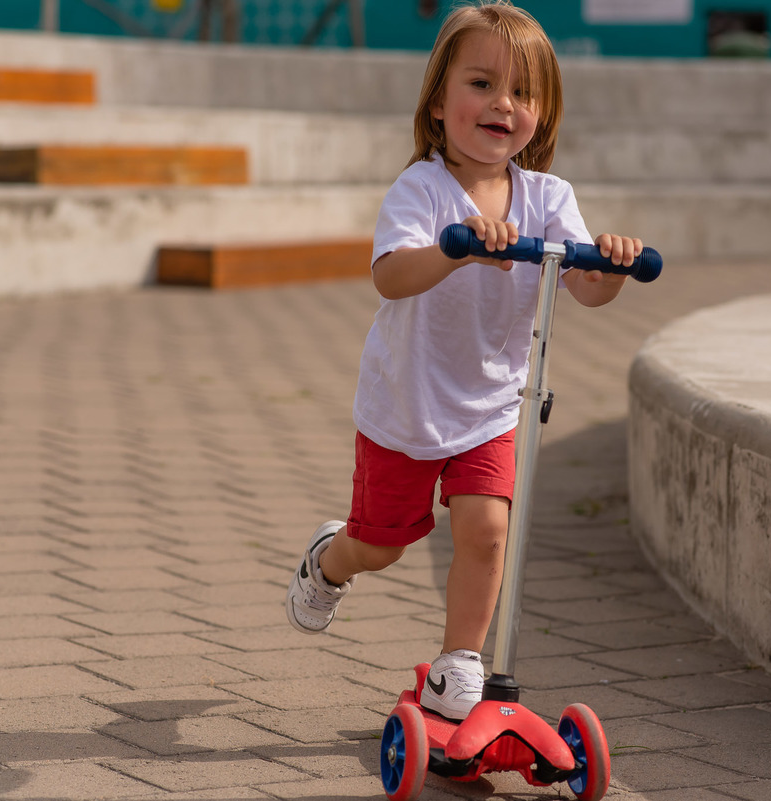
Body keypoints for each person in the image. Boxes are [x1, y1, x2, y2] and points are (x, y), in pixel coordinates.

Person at [286, 0, 644, 722]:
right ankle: (330, 559)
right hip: (407, 404)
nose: (502, 105)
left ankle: (458, 663)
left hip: (491, 406)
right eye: (481, 84)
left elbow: (585, 288)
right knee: (381, 547)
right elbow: (390, 276)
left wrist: (609, 265)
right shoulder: (421, 189)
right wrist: (456, 248)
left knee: (486, 529)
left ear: (544, 111)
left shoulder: (549, 198)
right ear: (440, 102)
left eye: (522, 92)